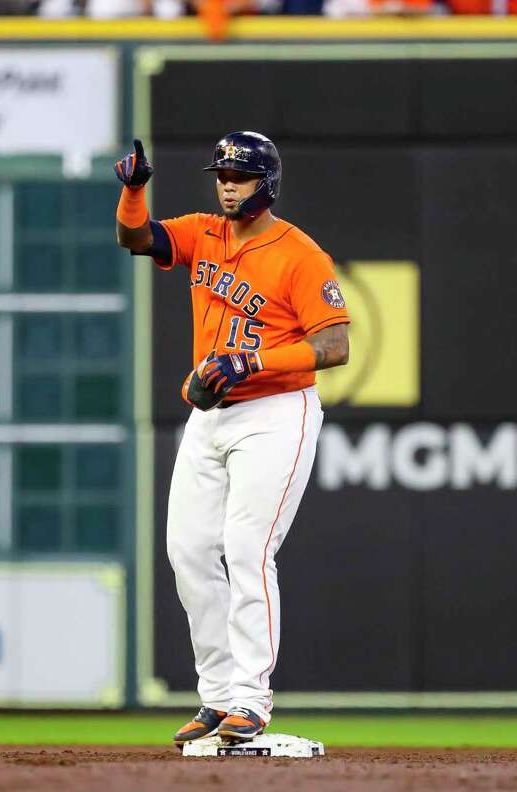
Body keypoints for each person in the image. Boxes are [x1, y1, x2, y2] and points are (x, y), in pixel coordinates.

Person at [114, 131, 350, 746]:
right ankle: (218, 697)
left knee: (247, 549)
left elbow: (335, 346)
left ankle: (252, 699)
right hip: (211, 414)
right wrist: (135, 193)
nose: (225, 183)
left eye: (238, 175)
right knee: (188, 552)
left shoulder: (299, 254)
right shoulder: (205, 231)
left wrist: (253, 361)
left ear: (265, 184)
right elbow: (137, 240)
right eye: (220, 172)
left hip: (276, 411)